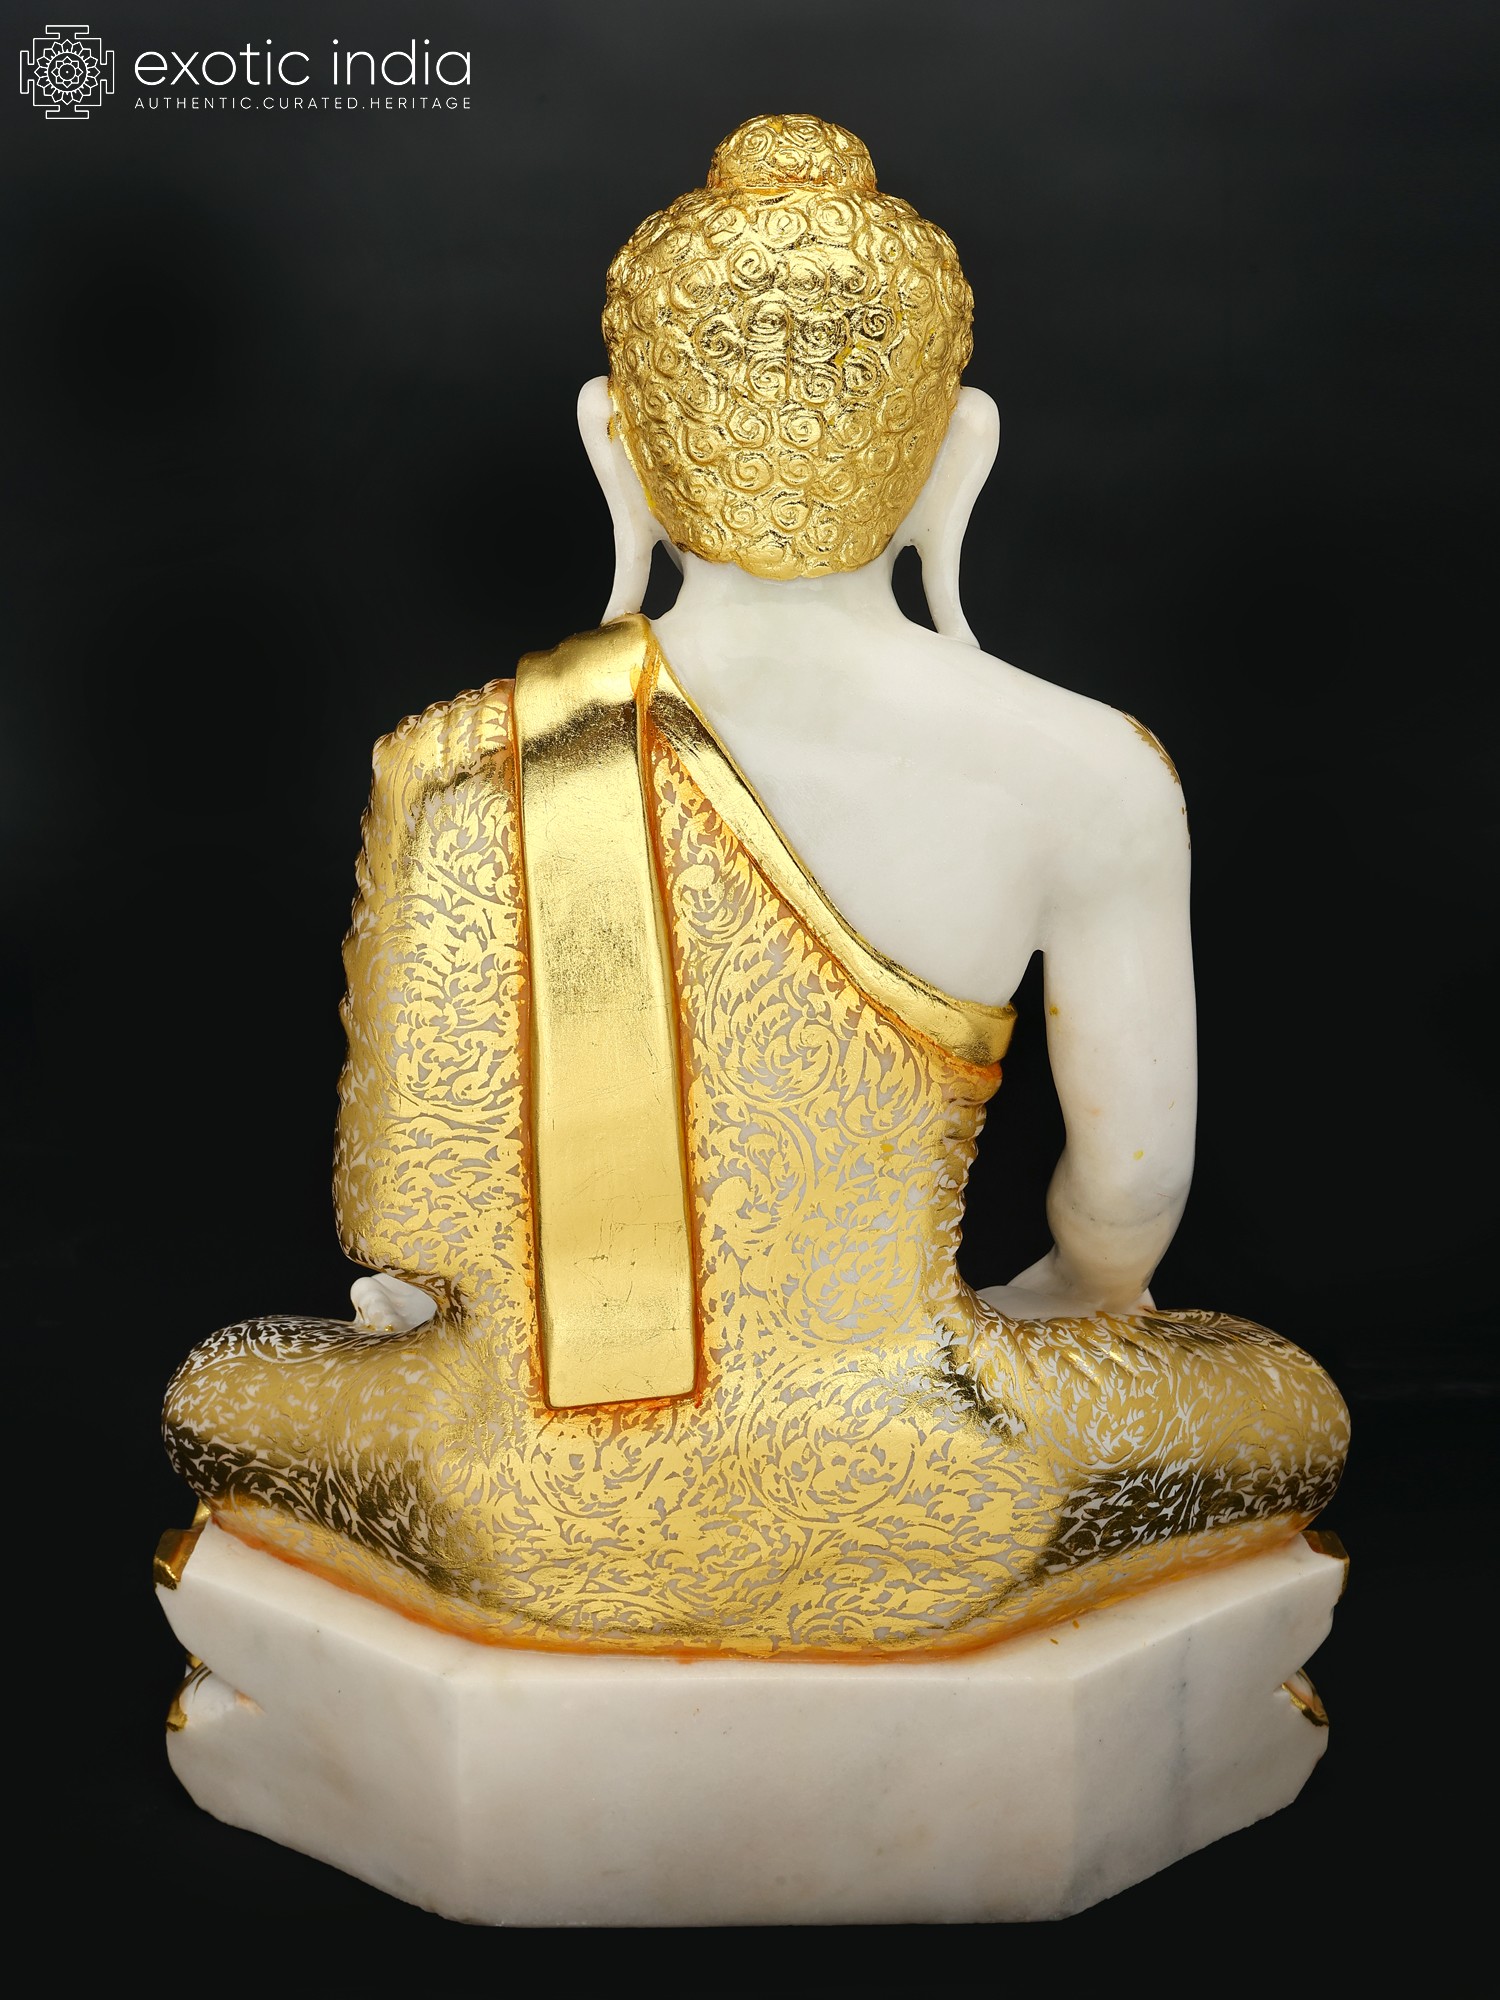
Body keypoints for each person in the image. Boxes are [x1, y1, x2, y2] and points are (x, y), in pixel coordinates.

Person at [163, 114, 1347, 1657]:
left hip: (520, 1496)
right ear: (960, 455)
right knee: (1281, 1405)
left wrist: (477, 1324)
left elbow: (402, 1230)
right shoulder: (1093, 770)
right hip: (936, 1482)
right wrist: (1061, 1303)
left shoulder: (465, 766)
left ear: (613, 445)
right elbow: (1130, 1200)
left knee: (224, 1389)